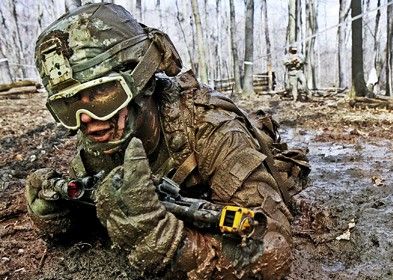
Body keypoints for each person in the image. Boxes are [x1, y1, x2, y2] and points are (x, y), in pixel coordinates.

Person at [25, 3, 309, 279]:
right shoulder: (101, 132)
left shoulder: (211, 129)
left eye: (101, 95)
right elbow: (91, 222)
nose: (85, 118)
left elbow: (272, 252)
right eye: (69, 104)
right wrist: (54, 215)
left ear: (143, 82)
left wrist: (169, 245)